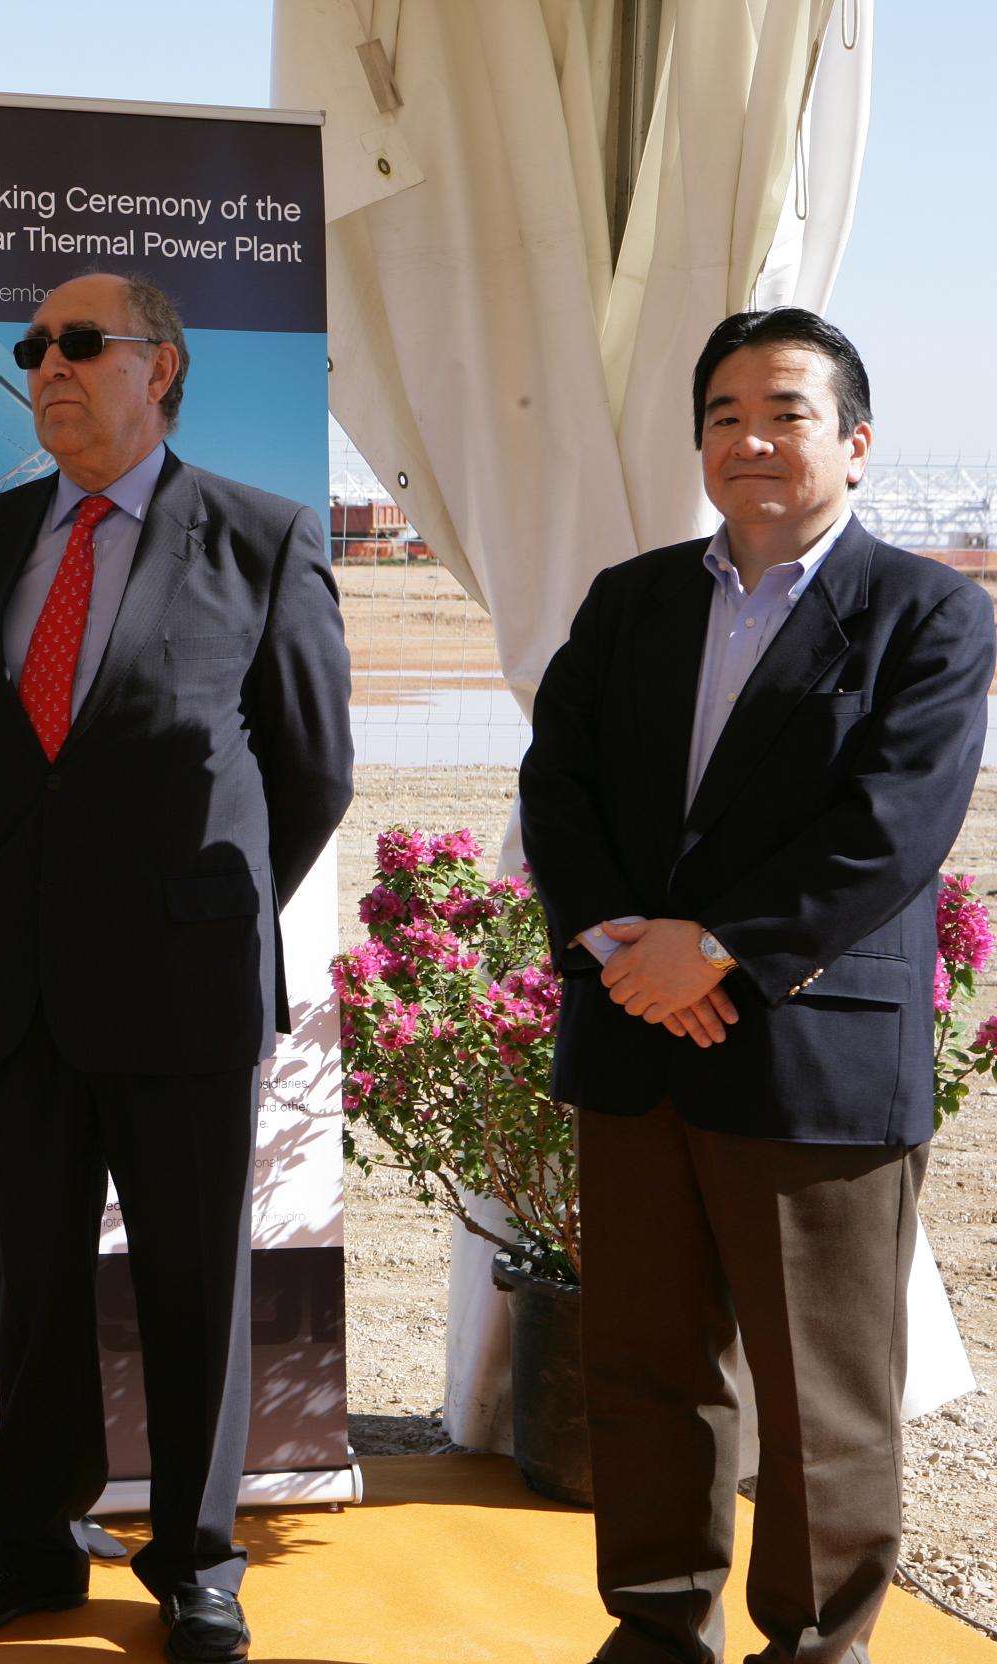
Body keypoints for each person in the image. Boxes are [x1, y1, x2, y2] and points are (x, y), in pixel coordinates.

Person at [521, 306, 989, 1664]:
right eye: (723, 414)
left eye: (784, 411)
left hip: (808, 1054)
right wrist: (621, 939)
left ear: (853, 442)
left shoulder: (927, 613)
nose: (750, 438)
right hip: (637, 1038)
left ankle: (814, 1643)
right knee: (645, 1371)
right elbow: (562, 784)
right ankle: (660, 1628)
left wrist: (710, 949)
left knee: (821, 1399)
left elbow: (892, 827)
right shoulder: (634, 602)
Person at [0, 271, 352, 1660]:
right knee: (30, 1283)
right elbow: (0, 766)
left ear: (160, 367)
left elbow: (314, 769)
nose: (46, 362)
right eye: (32, 344)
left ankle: (198, 1560)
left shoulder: (261, 538)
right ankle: (33, 1542)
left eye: (79, 343)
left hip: (181, 984)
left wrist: (197, 909)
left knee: (190, 1287)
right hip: (12, 982)